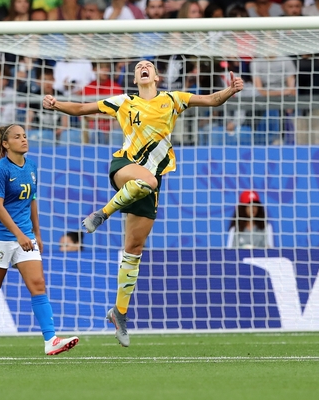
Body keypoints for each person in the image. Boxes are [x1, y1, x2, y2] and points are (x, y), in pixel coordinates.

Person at [42, 61, 244, 347]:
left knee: (134, 249)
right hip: (125, 165)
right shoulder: (124, 102)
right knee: (147, 180)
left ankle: (119, 312)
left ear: (157, 77)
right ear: (136, 79)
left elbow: (211, 100)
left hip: (151, 181)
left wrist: (230, 90)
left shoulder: (173, 99)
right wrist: (57, 104)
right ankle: (102, 214)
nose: (144, 67)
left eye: (148, 65)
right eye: (139, 67)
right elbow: (82, 108)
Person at [0, 124, 80, 357]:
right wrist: (19, 235)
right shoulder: (0, 169)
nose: (24, 139)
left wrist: (36, 233)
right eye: (17, 137)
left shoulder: (31, 166)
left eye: (25, 136)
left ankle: (51, 340)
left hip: (25, 236)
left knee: (38, 284)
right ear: (6, 144)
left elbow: (32, 201)